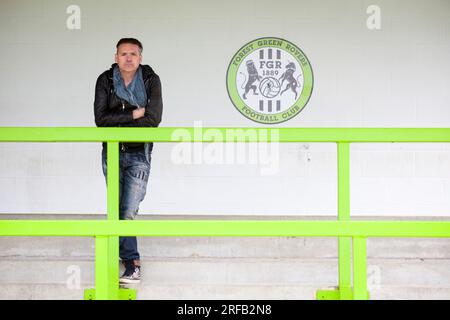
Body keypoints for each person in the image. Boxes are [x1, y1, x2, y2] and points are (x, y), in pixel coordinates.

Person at [94, 38, 163, 284]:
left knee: (128, 210)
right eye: (123, 54)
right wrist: (135, 112)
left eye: (133, 54)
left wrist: (120, 119)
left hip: (139, 152)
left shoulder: (150, 80)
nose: (128, 58)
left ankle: (131, 262)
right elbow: (100, 120)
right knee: (115, 208)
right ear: (116, 57)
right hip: (111, 150)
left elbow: (153, 118)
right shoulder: (105, 80)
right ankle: (128, 260)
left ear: (140, 57)